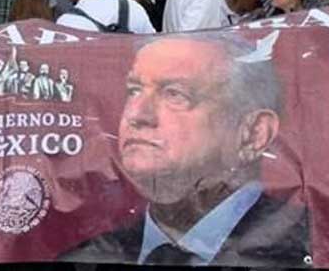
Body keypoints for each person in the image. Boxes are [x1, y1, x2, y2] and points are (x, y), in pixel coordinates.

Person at [65, 35, 309, 266]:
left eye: (174, 94)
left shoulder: (319, 249)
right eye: (134, 91)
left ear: (254, 133)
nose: (136, 115)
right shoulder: (89, 255)